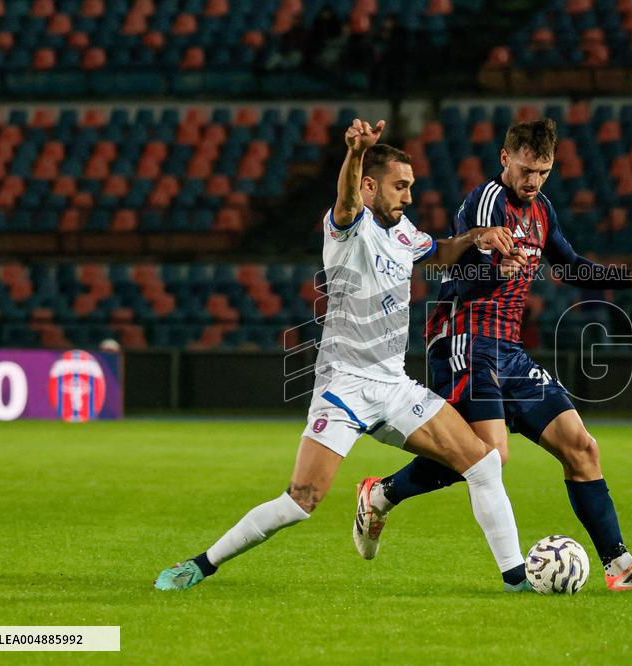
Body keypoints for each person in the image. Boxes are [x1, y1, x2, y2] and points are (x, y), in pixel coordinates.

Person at [155, 119, 531, 592]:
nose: (409, 196)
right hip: (344, 386)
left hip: (393, 386)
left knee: (483, 462)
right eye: (400, 186)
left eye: (411, 186)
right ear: (369, 185)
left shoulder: (403, 231)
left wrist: (475, 238)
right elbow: (347, 200)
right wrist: (354, 154)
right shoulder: (349, 228)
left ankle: (517, 579)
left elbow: (436, 253)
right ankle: (201, 564)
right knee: (301, 500)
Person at [354, 118, 632, 591]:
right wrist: (497, 271)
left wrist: (630, 276)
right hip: (463, 337)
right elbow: (456, 278)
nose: (533, 181)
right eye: (527, 169)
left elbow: (571, 267)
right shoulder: (486, 202)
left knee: (582, 447)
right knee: (489, 455)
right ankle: (383, 493)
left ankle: (620, 565)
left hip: (508, 348)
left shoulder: (542, 209)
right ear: (505, 159)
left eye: (544, 172)